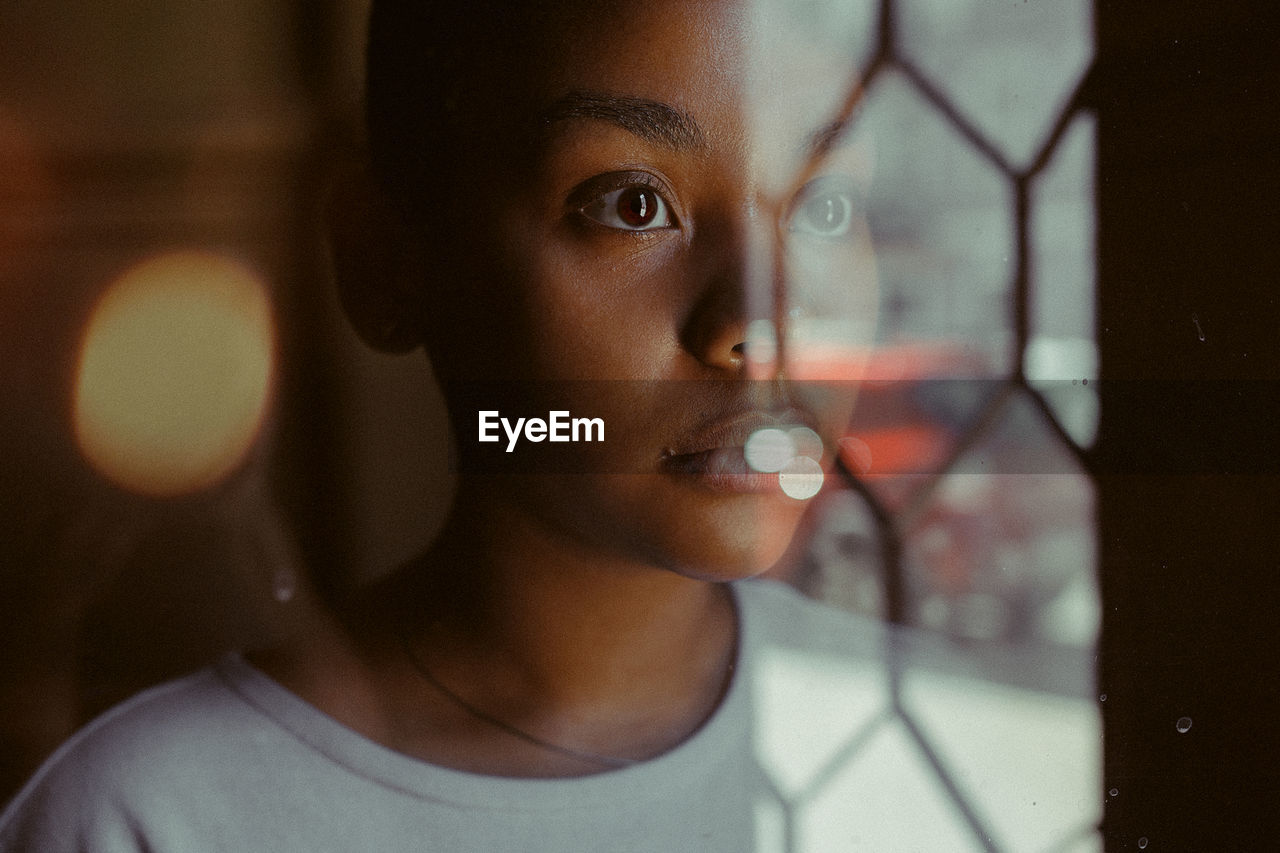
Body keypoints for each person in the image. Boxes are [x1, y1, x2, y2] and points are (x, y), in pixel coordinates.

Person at [0, 1, 1096, 850]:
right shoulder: (151, 817)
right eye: (629, 203)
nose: (755, 324)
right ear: (384, 259)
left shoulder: (955, 744)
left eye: (821, 204)